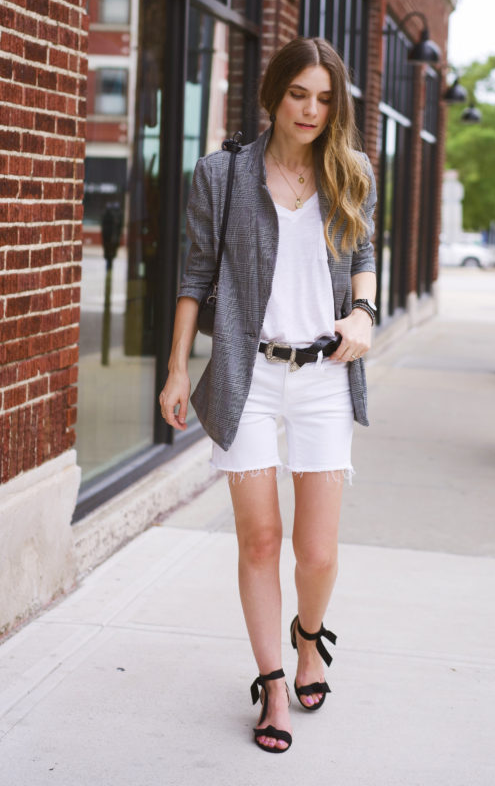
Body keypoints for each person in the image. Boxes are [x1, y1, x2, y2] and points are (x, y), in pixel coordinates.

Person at [159, 36, 377, 754]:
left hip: (320, 378)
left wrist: (363, 314)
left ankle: (308, 637)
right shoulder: (223, 175)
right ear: (273, 94)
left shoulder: (350, 171)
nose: (310, 110)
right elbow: (194, 276)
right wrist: (174, 370)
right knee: (259, 539)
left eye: (323, 98)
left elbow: (364, 255)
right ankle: (272, 684)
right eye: (297, 94)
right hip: (247, 377)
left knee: (315, 553)